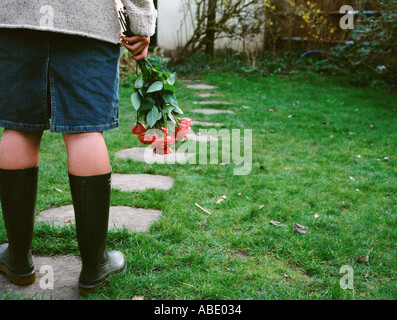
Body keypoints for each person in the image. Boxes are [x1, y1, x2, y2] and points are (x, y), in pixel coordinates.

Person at [0, 0, 157, 296]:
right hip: (87, 20)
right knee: (85, 131)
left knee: (18, 128)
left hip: (14, 18)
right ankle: (95, 266)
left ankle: (18, 259)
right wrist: (141, 22)